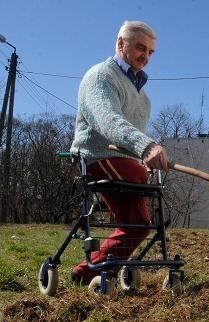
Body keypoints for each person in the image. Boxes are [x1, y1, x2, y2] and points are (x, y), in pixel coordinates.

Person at [70, 20, 169, 284]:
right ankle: (93, 270)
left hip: (123, 161)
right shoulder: (101, 76)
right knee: (135, 194)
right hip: (96, 155)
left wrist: (143, 158)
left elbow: (132, 139)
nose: (145, 56)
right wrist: (145, 147)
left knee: (140, 224)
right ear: (120, 44)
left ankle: (93, 270)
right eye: (140, 48)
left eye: (150, 52)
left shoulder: (143, 98)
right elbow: (108, 120)